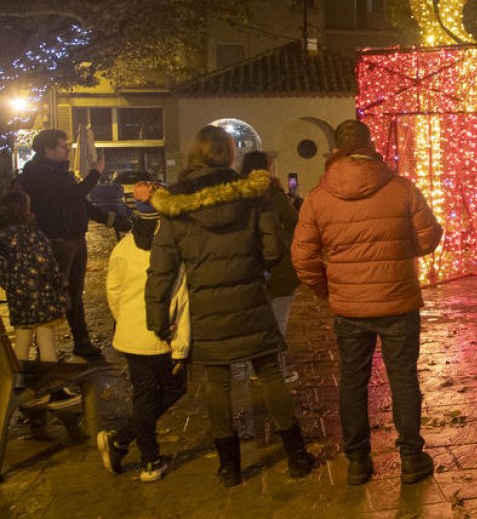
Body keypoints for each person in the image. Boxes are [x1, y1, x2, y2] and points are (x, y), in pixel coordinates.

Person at [145, 125, 314, 486]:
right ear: (229, 154)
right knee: (269, 374)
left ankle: (229, 467)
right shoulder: (252, 195)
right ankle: (297, 455)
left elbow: (161, 268)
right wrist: (257, 271)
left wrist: (156, 316)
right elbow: (272, 249)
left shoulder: (175, 204)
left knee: (217, 382)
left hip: (206, 306)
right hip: (251, 298)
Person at [292, 120, 443, 486]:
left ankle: (358, 461)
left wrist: (327, 289)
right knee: (403, 378)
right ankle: (411, 458)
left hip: (349, 309)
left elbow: (302, 257)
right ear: (369, 144)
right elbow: (430, 237)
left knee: (352, 382)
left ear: (336, 149)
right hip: (398, 303)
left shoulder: (317, 197)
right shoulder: (402, 189)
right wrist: (398, 252)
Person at [97, 193, 189, 482]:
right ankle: (147, 458)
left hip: (130, 337)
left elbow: (113, 293)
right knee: (173, 389)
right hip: (162, 337)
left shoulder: (122, 248)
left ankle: (125, 443)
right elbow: (182, 301)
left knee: (145, 396)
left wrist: (126, 321)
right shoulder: (173, 250)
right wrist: (181, 346)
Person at [18, 129, 129, 358]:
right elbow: (70, 195)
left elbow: (78, 201)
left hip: (75, 238)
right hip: (58, 239)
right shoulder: (38, 173)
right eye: (62, 146)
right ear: (47, 149)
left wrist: (110, 220)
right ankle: (45, 350)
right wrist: (95, 174)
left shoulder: (61, 172)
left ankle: (81, 341)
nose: (67, 150)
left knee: (75, 293)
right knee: (55, 293)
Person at [0, 189, 78, 410]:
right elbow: (47, 264)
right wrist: (60, 282)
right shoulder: (32, 234)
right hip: (42, 295)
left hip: (18, 297)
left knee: (22, 340)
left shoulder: (2, 237)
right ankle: (52, 391)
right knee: (46, 341)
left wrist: (13, 285)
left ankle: (21, 388)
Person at [241, 151, 300, 384]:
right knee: (278, 320)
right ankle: (277, 371)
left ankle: (257, 367)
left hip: (248, 267)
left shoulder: (238, 195)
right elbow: (294, 224)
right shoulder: (274, 194)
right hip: (278, 269)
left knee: (256, 320)